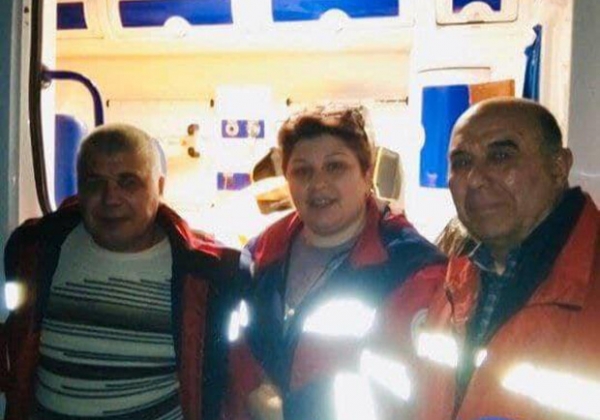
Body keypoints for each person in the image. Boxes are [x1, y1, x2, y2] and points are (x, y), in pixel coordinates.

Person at [0, 124, 239, 419]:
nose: (110, 198)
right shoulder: (35, 251)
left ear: (160, 187)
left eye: (129, 182)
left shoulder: (204, 274)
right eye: (94, 182)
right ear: (79, 188)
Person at [225, 106, 447, 420]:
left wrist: (289, 411)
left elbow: (419, 391)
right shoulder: (259, 257)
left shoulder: (413, 270)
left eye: (335, 167)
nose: (318, 184)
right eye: (303, 171)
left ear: (366, 174)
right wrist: (252, 391)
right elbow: (238, 346)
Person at [415, 98, 600, 420]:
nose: (475, 178)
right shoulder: (453, 288)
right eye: (461, 162)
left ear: (558, 167)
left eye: (501, 156)